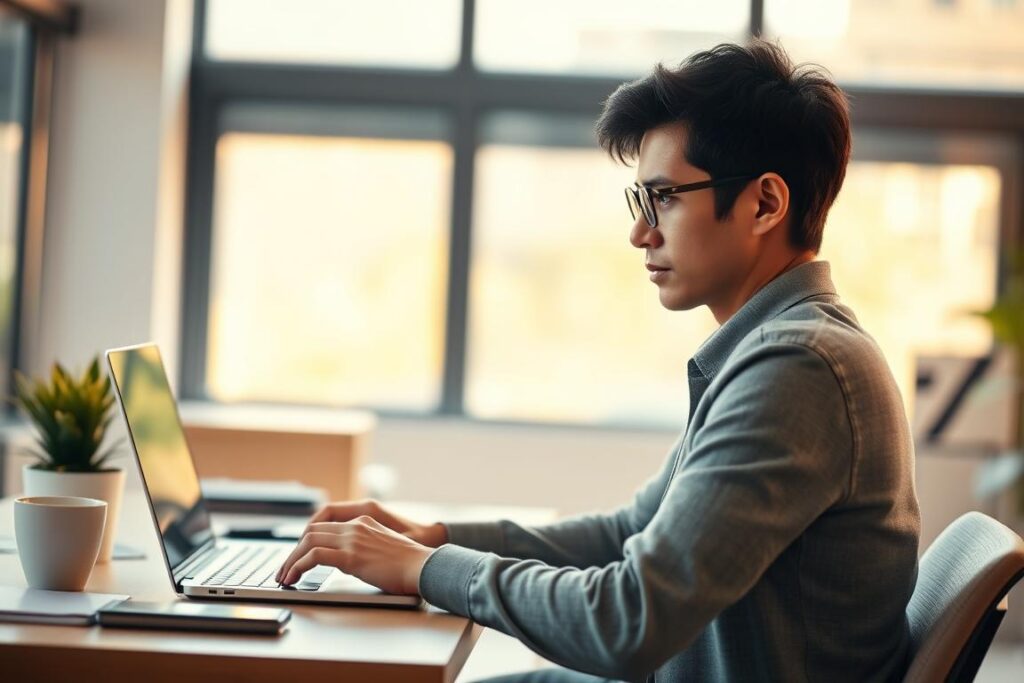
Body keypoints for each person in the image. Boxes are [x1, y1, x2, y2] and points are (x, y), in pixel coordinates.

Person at [275, 40, 920, 683]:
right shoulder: (785, 348)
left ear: (765, 204)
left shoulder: (798, 368)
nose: (640, 233)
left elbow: (628, 622)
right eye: (641, 203)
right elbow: (632, 530)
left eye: (664, 197)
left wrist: (422, 569)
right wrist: (436, 538)